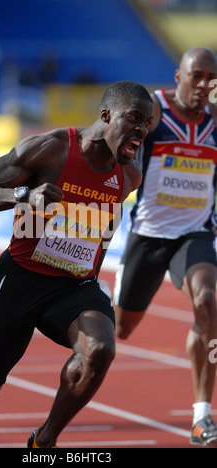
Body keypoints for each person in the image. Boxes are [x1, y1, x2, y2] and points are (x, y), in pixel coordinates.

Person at [0, 81, 154, 448]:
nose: (141, 130)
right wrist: (22, 194)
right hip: (20, 281)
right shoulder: (50, 150)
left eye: (146, 123)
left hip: (74, 287)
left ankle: (44, 442)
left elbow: (99, 235)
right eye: (133, 118)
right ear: (105, 116)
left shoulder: (128, 176)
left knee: (100, 349)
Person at [113, 48, 217, 447]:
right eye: (197, 76)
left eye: (212, 78)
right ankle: (122, 281)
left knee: (207, 303)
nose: (205, 85)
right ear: (179, 76)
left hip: (195, 234)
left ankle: (201, 416)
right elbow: (114, 148)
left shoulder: (214, 123)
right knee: (122, 329)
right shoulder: (152, 111)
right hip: (149, 235)